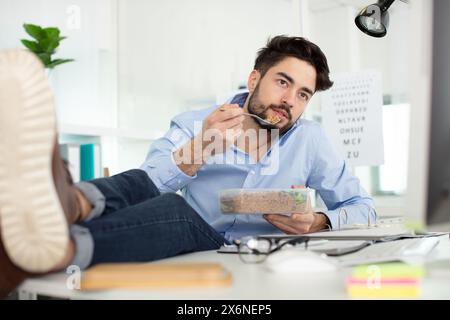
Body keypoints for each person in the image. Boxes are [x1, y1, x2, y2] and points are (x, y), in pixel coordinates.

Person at [0, 36, 375, 298]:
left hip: (257, 258)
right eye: (283, 82)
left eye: (303, 94)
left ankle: (57, 247)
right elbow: (146, 184)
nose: (289, 101)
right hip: (188, 233)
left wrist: (319, 222)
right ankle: (72, 203)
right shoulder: (195, 123)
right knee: (169, 202)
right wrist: (197, 151)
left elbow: (363, 206)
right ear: (254, 79)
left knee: (176, 213)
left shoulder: (310, 140)